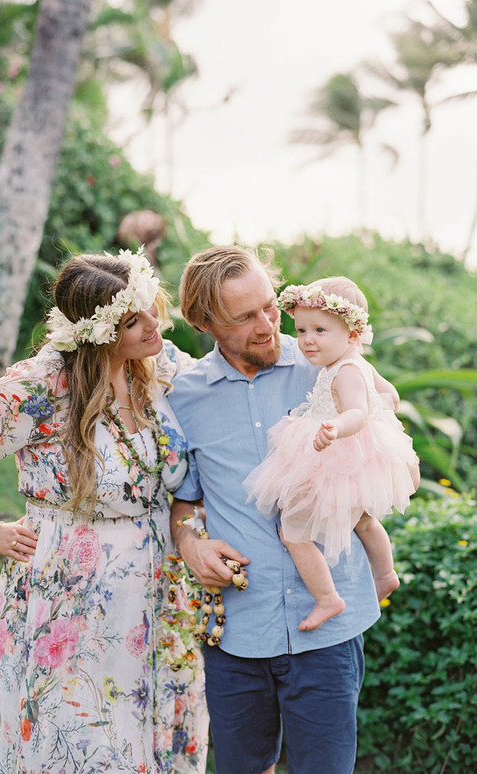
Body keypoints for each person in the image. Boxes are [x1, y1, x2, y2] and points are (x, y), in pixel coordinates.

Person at [0, 247, 209, 774]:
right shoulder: (42, 385)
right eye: (132, 321)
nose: (153, 325)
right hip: (72, 584)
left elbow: (223, 387)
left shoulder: (159, 364)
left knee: (149, 724)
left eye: (149, 307)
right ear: (97, 333)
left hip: (155, 576)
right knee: (79, 731)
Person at [167, 246, 382, 774]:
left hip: (328, 629)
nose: (268, 326)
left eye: (269, 306)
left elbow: (379, 439)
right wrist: (191, 544)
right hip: (237, 630)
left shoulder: (325, 367)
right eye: (245, 317)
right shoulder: (185, 396)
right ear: (203, 322)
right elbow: (182, 503)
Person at [244, 276, 420, 632]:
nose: (307, 340)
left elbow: (357, 411)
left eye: (320, 330)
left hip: (336, 450)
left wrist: (338, 426)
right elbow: (392, 395)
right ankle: (385, 574)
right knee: (364, 520)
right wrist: (382, 407)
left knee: (293, 529)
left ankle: (328, 598)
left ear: (352, 334)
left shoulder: (347, 372)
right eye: (303, 329)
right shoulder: (355, 362)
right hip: (351, 457)